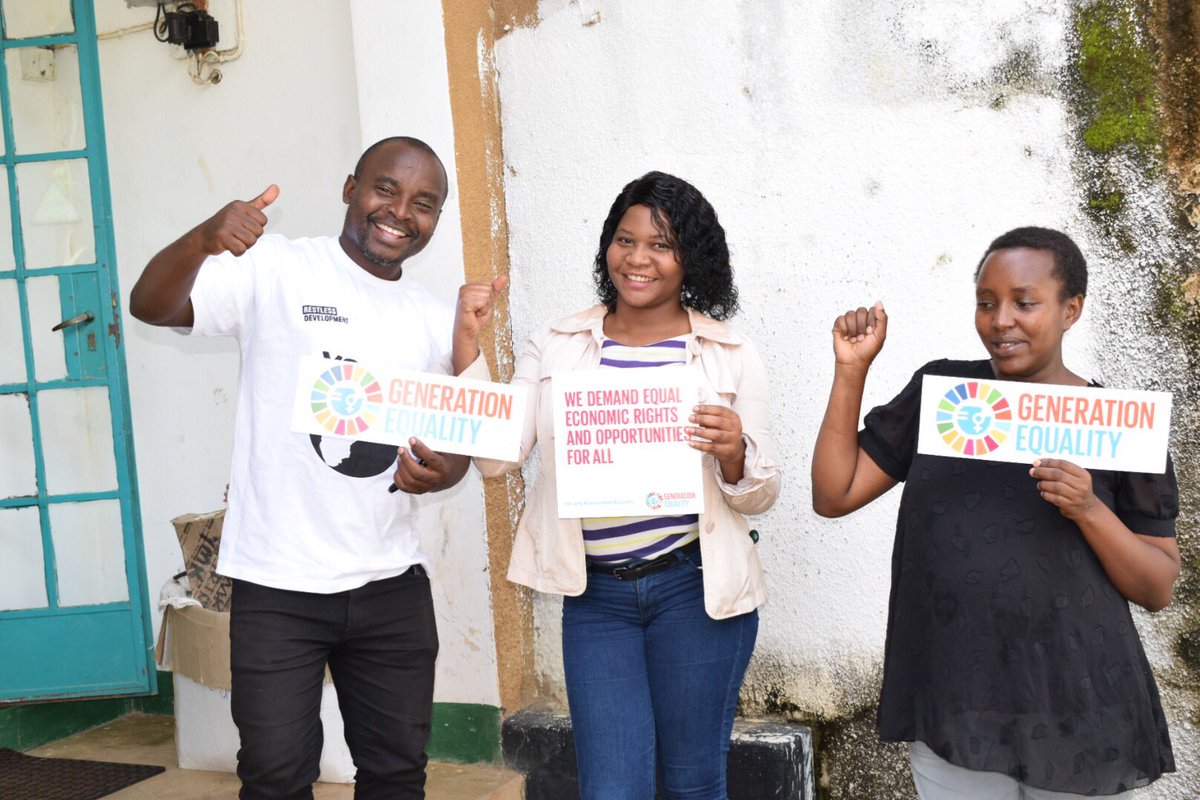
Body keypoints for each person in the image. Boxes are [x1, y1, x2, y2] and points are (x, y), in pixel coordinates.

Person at [129, 136, 505, 800]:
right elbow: (150, 305)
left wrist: (436, 474)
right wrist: (204, 238)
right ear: (350, 188)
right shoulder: (275, 268)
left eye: (423, 203)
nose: (400, 212)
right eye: (385, 188)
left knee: (397, 776)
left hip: (391, 586)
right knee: (275, 777)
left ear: (435, 220)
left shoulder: (432, 318)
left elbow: (454, 458)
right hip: (278, 584)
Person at [811, 227, 1180, 799]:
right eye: (986, 302)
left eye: (1024, 303)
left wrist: (1089, 510)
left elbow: (1157, 588)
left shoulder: (1118, 426)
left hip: (1077, 711)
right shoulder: (945, 397)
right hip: (958, 703)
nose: (1001, 320)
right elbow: (834, 495)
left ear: (1071, 309)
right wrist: (850, 371)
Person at [474, 171, 781, 799]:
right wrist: (467, 345)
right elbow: (496, 458)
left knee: (694, 784)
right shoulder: (556, 343)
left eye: (661, 245)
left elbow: (761, 494)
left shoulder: (729, 353)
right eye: (625, 239)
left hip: (693, 590)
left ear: (691, 259)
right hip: (597, 601)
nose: (638, 258)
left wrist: (733, 453)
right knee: (612, 790)